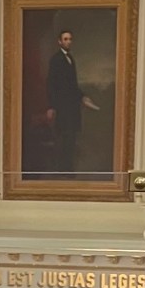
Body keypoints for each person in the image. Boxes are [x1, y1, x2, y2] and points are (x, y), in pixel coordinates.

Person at [45, 27, 100, 178]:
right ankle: (63, 170)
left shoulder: (71, 59)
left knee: (71, 138)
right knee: (64, 138)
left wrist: (82, 96)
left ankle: (68, 169)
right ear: (59, 42)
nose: (68, 42)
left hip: (72, 106)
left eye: (70, 39)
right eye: (65, 39)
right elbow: (51, 84)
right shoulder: (56, 60)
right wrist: (51, 106)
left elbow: (72, 85)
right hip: (63, 107)